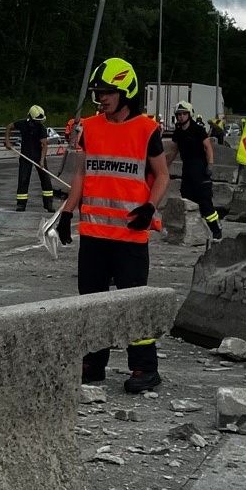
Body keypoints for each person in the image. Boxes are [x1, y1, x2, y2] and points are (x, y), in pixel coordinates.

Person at [56, 57, 172, 394]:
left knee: (133, 304)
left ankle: (145, 369)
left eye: (107, 92)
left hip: (130, 236)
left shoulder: (147, 130)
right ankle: (93, 364)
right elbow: (81, 173)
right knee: (91, 303)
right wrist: (67, 211)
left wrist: (151, 207)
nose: (101, 99)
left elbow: (162, 175)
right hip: (93, 234)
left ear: (126, 92)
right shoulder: (89, 128)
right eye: (98, 93)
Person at [164, 100, 222, 243]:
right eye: (178, 114)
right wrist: (164, 168)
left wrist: (210, 165)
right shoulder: (178, 132)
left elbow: (208, 147)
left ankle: (216, 231)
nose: (181, 117)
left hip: (200, 169)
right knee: (187, 200)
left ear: (189, 114)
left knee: (205, 203)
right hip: (187, 170)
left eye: (184, 114)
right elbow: (173, 151)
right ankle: (192, 232)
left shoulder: (198, 130)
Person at [5, 104, 55, 211]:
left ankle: (48, 204)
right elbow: (9, 127)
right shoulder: (22, 124)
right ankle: (21, 204)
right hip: (25, 156)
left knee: (45, 180)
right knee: (23, 179)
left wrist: (42, 160)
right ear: (31, 118)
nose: (39, 122)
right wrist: (7, 141)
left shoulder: (42, 128)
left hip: (38, 156)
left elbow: (44, 145)